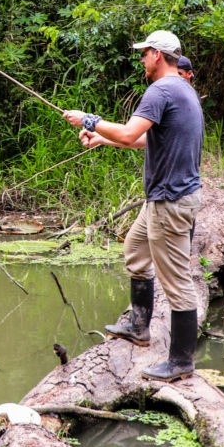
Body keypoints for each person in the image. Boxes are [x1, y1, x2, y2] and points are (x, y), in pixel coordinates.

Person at [62, 29, 204, 382]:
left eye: (144, 54)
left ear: (157, 54)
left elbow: (128, 132)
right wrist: (101, 139)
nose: (141, 60)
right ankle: (139, 327)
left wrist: (89, 120)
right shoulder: (182, 89)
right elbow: (143, 140)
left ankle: (181, 363)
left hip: (169, 202)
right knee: (135, 250)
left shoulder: (161, 89)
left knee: (178, 283)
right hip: (164, 199)